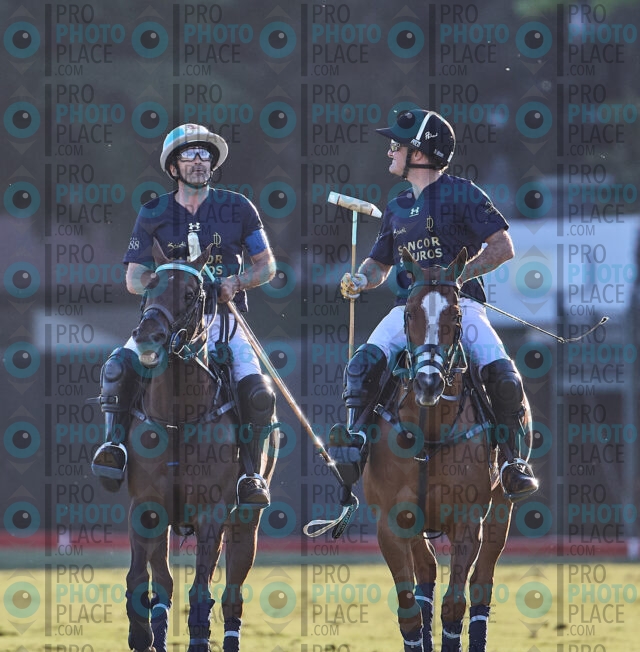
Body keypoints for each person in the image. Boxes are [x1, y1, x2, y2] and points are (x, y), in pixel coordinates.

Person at [329, 108, 538, 502]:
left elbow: (502, 247)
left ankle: (512, 462)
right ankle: (355, 444)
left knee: (505, 376)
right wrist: (361, 279)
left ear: (420, 152)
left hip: (461, 307)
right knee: (361, 365)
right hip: (409, 310)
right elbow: (379, 264)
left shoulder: (464, 193)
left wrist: (457, 277)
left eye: (397, 145)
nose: (390, 151)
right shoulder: (397, 206)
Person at [91, 123, 277, 508]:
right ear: (173, 167)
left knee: (258, 392)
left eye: (204, 154)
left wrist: (237, 282)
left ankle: (250, 473)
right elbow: (133, 278)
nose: (198, 161)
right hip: (163, 322)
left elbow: (267, 266)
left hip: (222, 319)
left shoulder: (238, 207)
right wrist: (164, 284)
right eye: (189, 155)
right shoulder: (153, 211)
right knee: (116, 368)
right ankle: (114, 447)